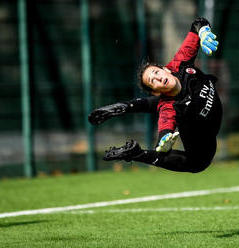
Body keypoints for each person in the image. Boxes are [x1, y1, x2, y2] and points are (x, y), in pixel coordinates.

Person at [88, 17, 222, 173]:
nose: (158, 78)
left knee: (156, 103)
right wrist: (163, 141)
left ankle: (123, 107)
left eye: (156, 72)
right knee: (197, 164)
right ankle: (136, 153)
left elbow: (197, 23)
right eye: (153, 81)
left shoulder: (180, 64)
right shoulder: (168, 108)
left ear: (165, 69)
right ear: (155, 91)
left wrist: (203, 31)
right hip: (201, 138)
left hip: (212, 123)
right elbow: (165, 128)